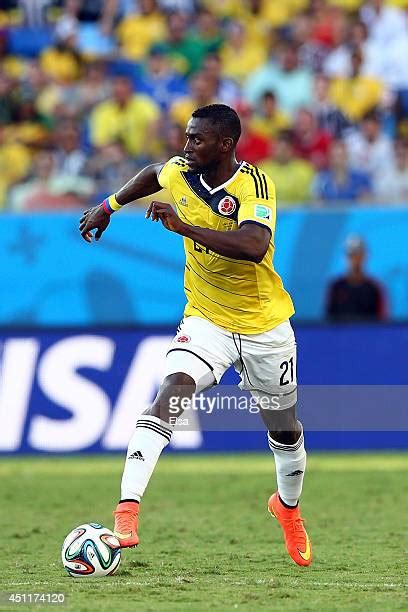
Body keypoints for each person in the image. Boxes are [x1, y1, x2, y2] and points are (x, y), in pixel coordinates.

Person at [79, 104, 312, 567]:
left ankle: (287, 509)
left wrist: (184, 227)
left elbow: (253, 246)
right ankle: (126, 511)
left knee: (284, 429)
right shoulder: (180, 170)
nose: (187, 147)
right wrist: (110, 206)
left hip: (265, 325)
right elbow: (152, 174)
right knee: (170, 395)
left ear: (225, 145)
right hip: (206, 319)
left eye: (197, 140)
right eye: (186, 137)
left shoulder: (253, 184)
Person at [326, 235, 387, 321]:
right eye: (352, 255)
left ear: (365, 257)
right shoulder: (336, 287)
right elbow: (329, 320)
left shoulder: (374, 289)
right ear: (346, 258)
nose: (355, 259)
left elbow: (381, 321)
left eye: (359, 255)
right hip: (342, 334)